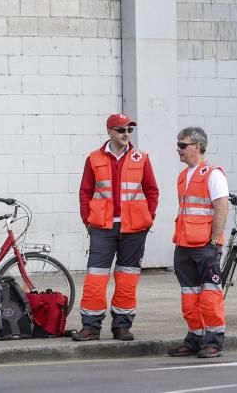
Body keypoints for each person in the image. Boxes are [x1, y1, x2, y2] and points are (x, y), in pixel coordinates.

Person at [72, 114, 159, 342]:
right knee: (95, 277)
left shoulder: (142, 158)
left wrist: (147, 218)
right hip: (102, 227)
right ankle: (90, 327)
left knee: (128, 277)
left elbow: (152, 191)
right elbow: (85, 191)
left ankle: (122, 326)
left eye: (129, 130)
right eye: (121, 130)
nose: (126, 134)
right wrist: (88, 220)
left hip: (134, 228)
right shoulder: (93, 158)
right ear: (110, 131)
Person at [167, 126, 230, 359]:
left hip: (205, 246)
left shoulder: (213, 174)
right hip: (184, 245)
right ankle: (194, 339)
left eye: (183, 145)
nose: (178, 149)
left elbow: (221, 207)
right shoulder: (183, 176)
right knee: (189, 296)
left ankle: (213, 342)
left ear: (198, 146)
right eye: (178, 144)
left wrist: (214, 241)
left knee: (210, 296)